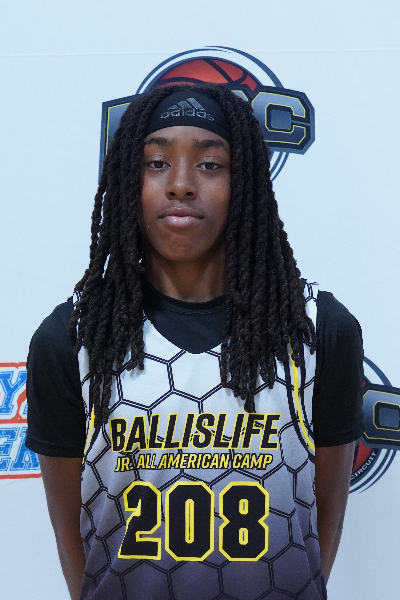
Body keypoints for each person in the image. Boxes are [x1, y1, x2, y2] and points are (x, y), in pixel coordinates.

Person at [26, 84, 364, 600]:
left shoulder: (318, 331)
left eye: (210, 165)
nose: (181, 184)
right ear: (128, 180)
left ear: (244, 180)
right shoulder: (72, 340)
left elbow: (322, 531)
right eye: (156, 163)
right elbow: (75, 545)